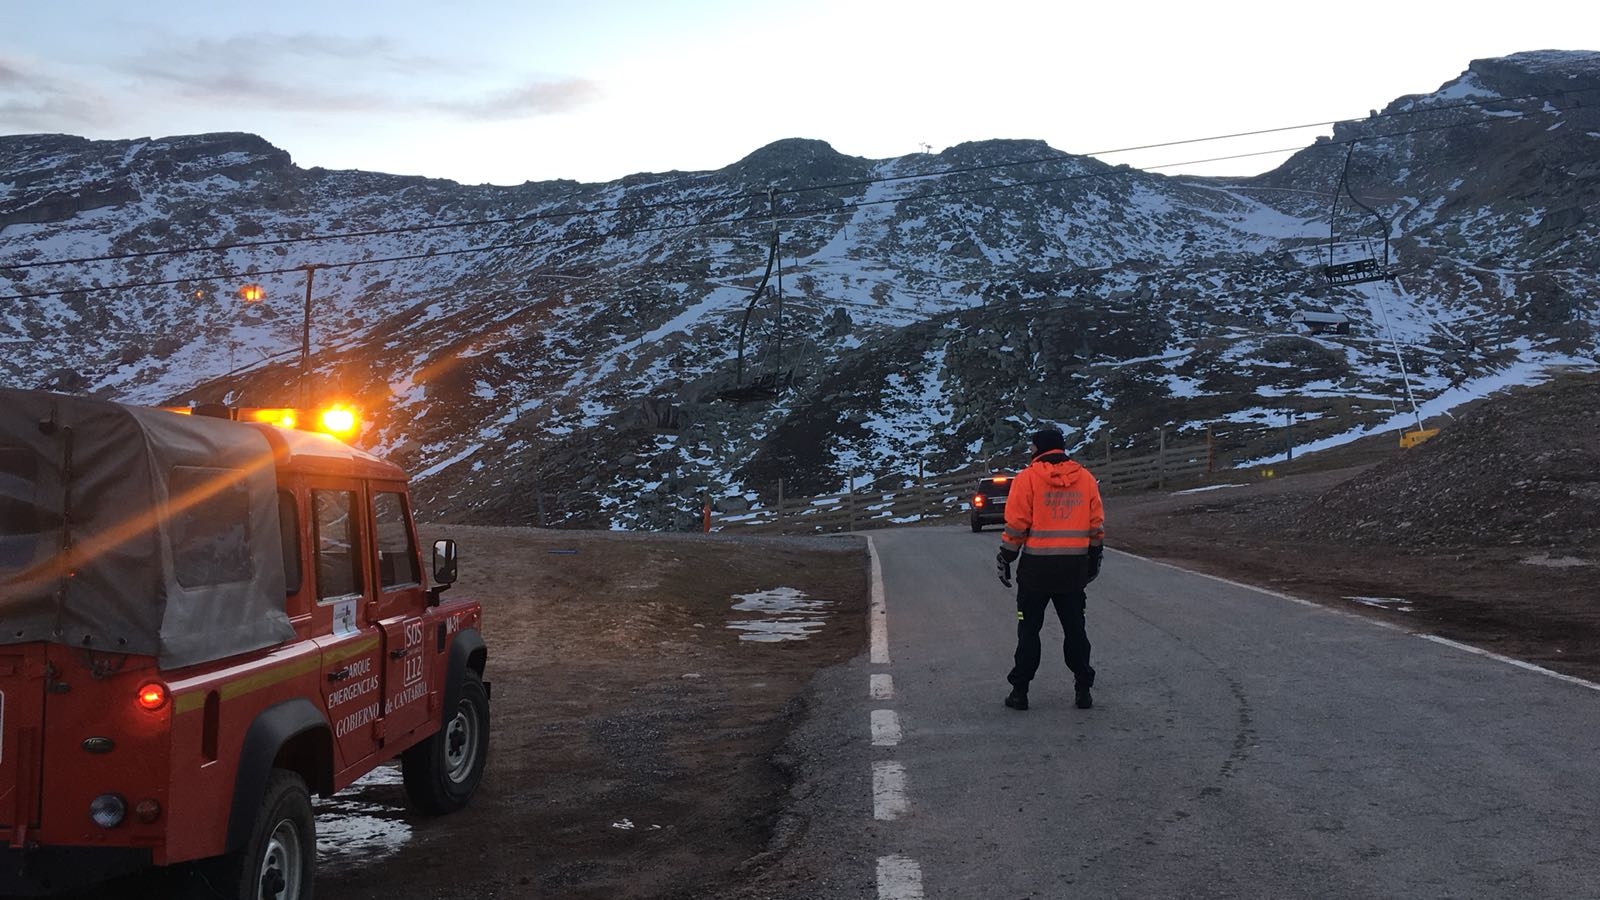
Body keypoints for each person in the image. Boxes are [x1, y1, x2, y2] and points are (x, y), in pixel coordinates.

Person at [994, 427, 1104, 711]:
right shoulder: (1086, 479)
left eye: (1032, 448)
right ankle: (1083, 689)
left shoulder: (1027, 479)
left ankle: (1020, 692)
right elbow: (1095, 524)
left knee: (1029, 630)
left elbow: (1017, 524)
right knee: (1075, 630)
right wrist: (1094, 555)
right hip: (1073, 569)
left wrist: (1006, 557)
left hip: (1035, 570)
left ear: (1039, 449)